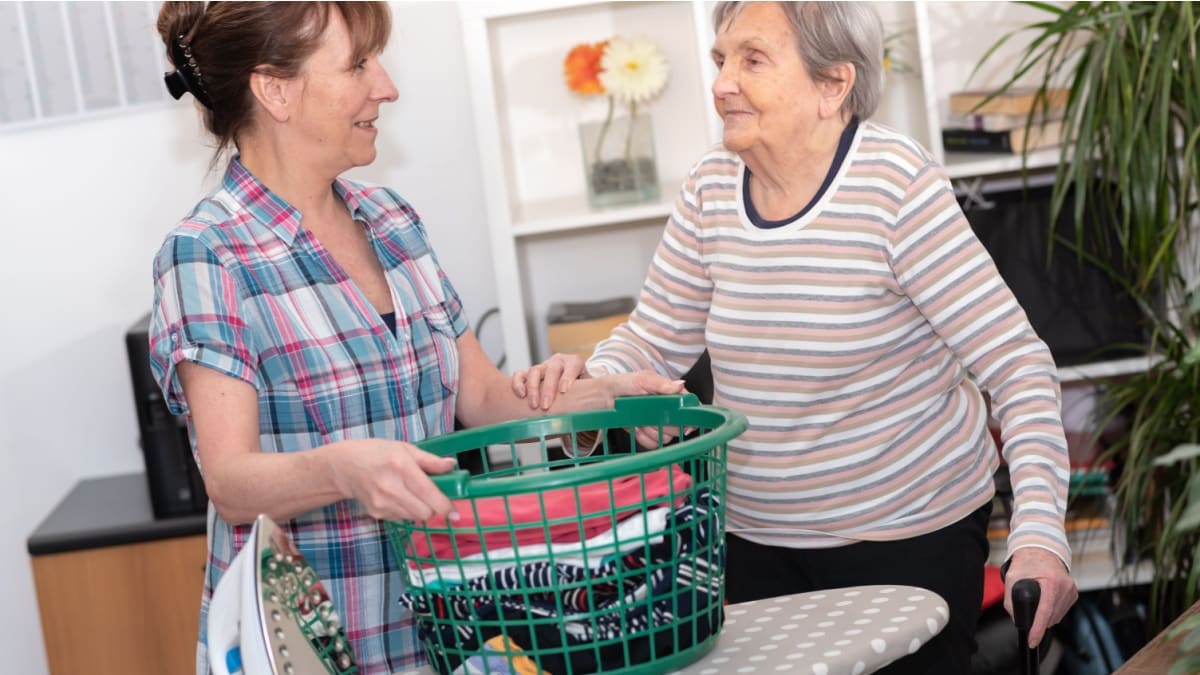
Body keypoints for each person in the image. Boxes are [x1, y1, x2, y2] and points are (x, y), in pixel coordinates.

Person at [512, 2, 1078, 673]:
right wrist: (593, 385)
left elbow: (1016, 363)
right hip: (753, 541)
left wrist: (1040, 533)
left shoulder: (894, 185)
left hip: (908, 535)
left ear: (832, 84)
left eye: (752, 59)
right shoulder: (711, 189)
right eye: (721, 59)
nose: (722, 82)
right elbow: (651, 341)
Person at [148, 3, 682, 674]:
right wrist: (342, 469)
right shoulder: (207, 254)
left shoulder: (392, 220)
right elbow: (230, 480)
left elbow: (482, 396)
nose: (387, 87)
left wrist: (608, 396)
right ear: (275, 90)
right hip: (315, 649)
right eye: (357, 65)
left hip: (444, 636)